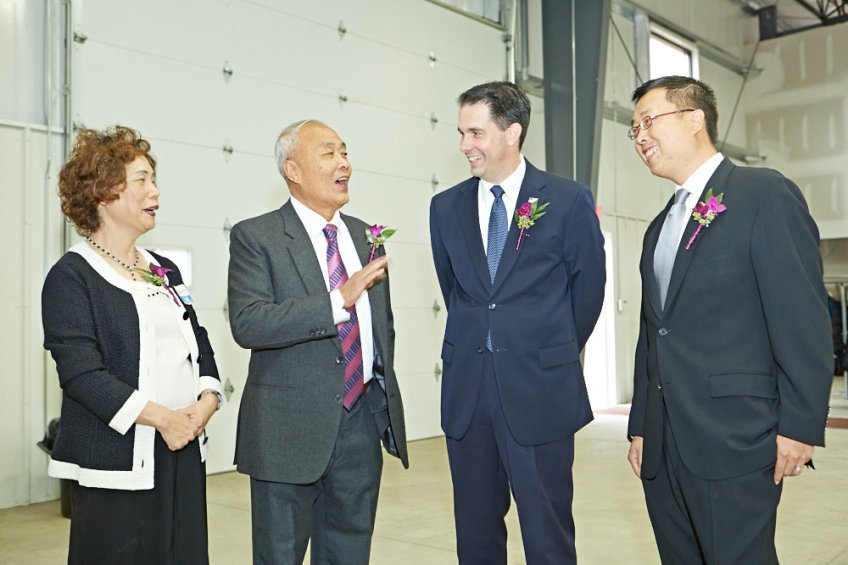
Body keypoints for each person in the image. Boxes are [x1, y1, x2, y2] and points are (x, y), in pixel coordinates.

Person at [625, 76, 832, 564]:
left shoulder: (762, 194)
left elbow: (801, 318)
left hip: (735, 436)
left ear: (694, 119)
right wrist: (641, 427)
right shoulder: (659, 227)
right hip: (664, 443)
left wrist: (801, 425)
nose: (640, 137)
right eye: (633, 130)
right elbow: (652, 335)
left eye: (648, 122)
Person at [429, 81, 606, 564]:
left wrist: (546, 350)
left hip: (540, 389)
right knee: (475, 534)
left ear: (512, 132)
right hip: (468, 391)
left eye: (476, 133)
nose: (465, 145)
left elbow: (587, 292)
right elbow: (456, 291)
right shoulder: (445, 207)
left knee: (547, 533)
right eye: (461, 133)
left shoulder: (567, 200)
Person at [227, 119, 408, 564]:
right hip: (286, 433)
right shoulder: (257, 237)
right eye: (328, 153)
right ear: (293, 170)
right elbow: (249, 323)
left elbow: (381, 327)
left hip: (359, 426)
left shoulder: (366, 236)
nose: (343, 163)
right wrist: (337, 301)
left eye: (344, 152)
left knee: (350, 554)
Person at [41, 125, 223, 565]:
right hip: (116, 462)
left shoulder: (164, 269)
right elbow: (82, 374)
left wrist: (207, 400)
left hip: (182, 448)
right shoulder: (71, 277)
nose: (155, 191)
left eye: (153, 180)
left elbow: (198, 341)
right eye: (142, 180)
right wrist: (163, 419)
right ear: (103, 194)